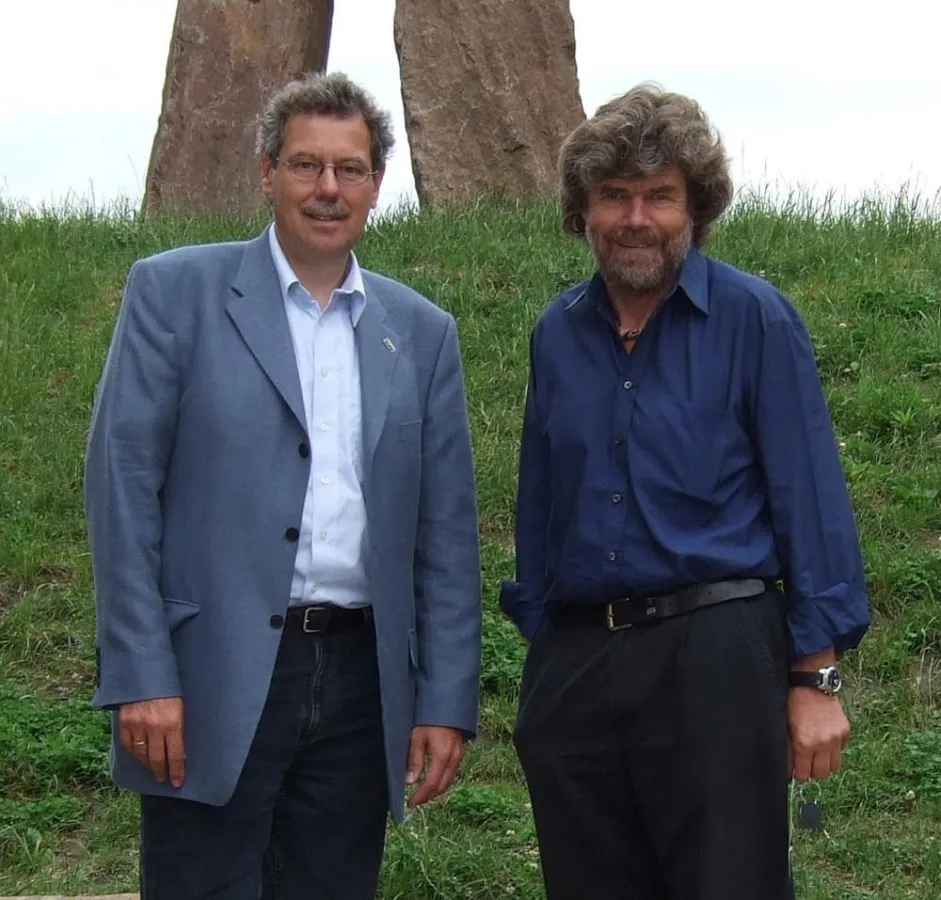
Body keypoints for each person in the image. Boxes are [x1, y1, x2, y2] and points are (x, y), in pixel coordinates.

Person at [85, 71, 482, 900]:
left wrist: (444, 697)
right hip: (207, 679)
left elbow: (444, 535)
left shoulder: (422, 333)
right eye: (306, 165)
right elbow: (122, 489)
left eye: (350, 169)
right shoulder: (173, 293)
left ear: (376, 184)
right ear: (267, 172)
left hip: (358, 685)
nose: (327, 189)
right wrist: (141, 674)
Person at [500, 84, 869, 900]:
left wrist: (814, 679)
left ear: (693, 208)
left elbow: (809, 499)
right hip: (576, 663)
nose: (636, 218)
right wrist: (543, 663)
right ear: (582, 210)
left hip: (714, 655)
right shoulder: (556, 333)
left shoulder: (755, 319)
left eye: (659, 196)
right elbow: (540, 500)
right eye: (614, 197)